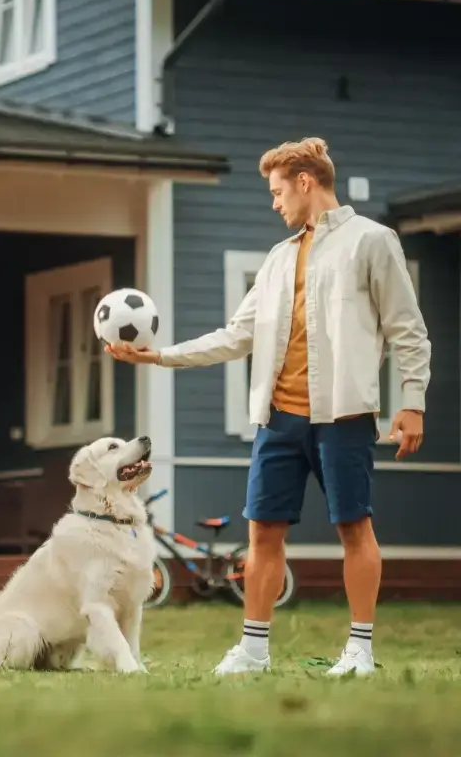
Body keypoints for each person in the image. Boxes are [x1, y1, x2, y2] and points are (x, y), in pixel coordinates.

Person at [107, 137, 430, 677]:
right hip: (277, 420)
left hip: (344, 417)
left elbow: (408, 330)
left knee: (354, 528)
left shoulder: (372, 242)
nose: (274, 203)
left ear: (307, 182)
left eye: (279, 191)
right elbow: (237, 335)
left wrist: (413, 400)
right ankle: (253, 650)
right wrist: (159, 356)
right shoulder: (279, 259)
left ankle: (360, 651)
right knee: (261, 531)